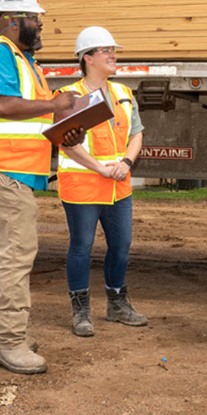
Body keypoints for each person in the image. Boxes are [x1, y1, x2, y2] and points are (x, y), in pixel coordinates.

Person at [0, 0, 83, 375]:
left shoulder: (23, 60)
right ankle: (9, 342)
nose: (41, 25)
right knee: (17, 255)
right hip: (1, 169)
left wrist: (67, 125)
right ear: (13, 21)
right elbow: (3, 106)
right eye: (35, 18)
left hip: (8, 169)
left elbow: (31, 118)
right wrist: (55, 103)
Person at [56, 26, 147, 337]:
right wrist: (100, 168)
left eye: (113, 50)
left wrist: (125, 163)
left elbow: (136, 133)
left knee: (121, 247)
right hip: (83, 185)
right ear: (87, 58)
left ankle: (117, 304)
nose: (113, 55)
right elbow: (67, 143)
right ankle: (81, 310)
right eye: (105, 50)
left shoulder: (123, 93)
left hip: (118, 184)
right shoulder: (69, 97)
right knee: (81, 246)